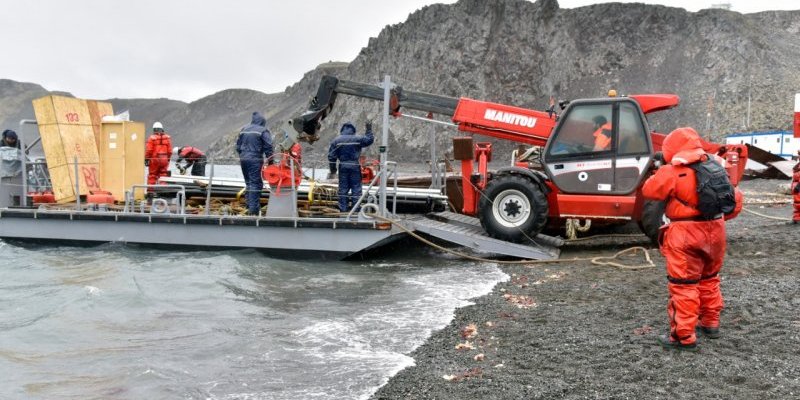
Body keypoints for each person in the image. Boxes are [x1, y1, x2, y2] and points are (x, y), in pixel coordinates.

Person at [642, 127, 740, 351]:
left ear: (671, 148)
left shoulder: (673, 171)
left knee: (684, 285)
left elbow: (650, 191)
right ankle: (710, 323)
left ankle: (684, 336)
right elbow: (736, 203)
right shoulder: (717, 167)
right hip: (716, 229)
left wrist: (659, 170)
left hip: (685, 233)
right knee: (710, 279)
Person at [328, 121, 374, 212]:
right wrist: (368, 129)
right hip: (354, 166)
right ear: (353, 129)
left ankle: (343, 209)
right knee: (356, 188)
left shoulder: (336, 140)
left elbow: (331, 157)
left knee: (343, 188)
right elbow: (369, 140)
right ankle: (356, 209)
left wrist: (333, 170)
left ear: (342, 129)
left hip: (343, 166)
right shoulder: (357, 139)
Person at [236, 112, 273, 215]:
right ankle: (253, 211)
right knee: (256, 184)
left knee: (248, 183)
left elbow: (238, 146)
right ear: (262, 121)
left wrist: (243, 155)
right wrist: (271, 162)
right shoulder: (263, 130)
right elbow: (268, 146)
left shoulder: (244, 129)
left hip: (243, 159)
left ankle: (249, 206)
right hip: (255, 159)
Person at [144, 122, 172, 189]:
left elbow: (149, 150)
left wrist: (146, 159)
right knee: (163, 175)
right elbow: (170, 151)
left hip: (154, 160)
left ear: (154, 130)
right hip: (164, 160)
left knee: (152, 175)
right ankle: (162, 190)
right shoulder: (167, 138)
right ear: (162, 129)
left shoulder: (152, 138)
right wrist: (168, 159)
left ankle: (151, 192)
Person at [792, 151, 800, 224]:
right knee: (796, 203)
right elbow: (794, 170)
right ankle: (796, 217)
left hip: (798, 186)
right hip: (796, 184)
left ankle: (797, 218)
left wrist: (798, 186)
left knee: (798, 203)